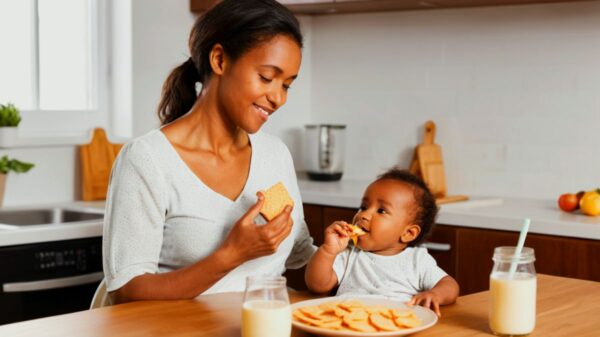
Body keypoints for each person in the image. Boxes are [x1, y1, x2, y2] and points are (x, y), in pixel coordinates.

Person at [102, 0, 315, 303]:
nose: (278, 97)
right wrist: (231, 254)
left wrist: (359, 250)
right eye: (267, 77)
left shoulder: (275, 155)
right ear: (219, 59)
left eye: (287, 85)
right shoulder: (147, 160)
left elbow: (300, 254)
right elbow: (126, 291)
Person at [305, 168, 459, 316]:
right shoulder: (349, 253)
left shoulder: (417, 260)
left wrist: (435, 294)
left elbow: (450, 285)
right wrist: (328, 250)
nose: (363, 215)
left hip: (394, 325)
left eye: (381, 211)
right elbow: (317, 286)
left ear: (408, 233)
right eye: (363, 207)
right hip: (346, 322)